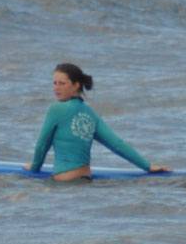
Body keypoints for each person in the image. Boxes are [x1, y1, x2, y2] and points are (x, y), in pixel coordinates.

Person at [27, 63, 168, 181]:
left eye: (62, 83)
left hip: (65, 182)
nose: (56, 88)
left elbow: (42, 144)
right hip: (86, 179)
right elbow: (116, 144)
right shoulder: (90, 113)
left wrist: (34, 168)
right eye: (55, 83)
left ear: (76, 85)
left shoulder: (56, 109)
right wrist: (147, 166)